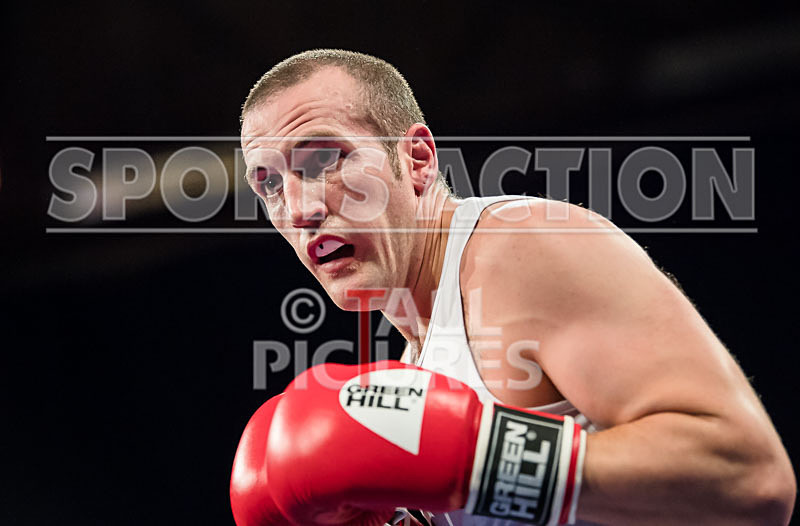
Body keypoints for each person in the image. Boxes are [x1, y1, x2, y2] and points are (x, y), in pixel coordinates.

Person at [230, 49, 796, 525]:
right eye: (270, 184)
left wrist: (482, 460)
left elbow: (749, 475)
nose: (299, 209)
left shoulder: (522, 249)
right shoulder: (413, 367)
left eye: (325, 159)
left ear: (418, 160)